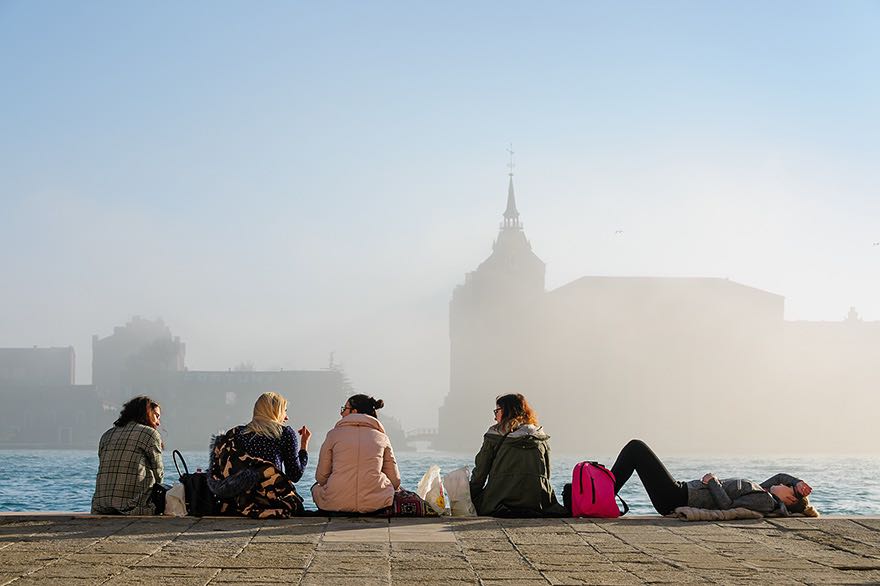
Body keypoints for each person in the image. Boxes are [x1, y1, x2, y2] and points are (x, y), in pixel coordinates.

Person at [610, 439, 818, 516]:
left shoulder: (764, 501)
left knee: (636, 448)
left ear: (789, 500)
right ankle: (598, 496)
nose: (781, 483)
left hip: (677, 497)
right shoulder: (763, 492)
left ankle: (603, 496)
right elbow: (779, 476)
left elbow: (727, 505)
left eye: (787, 488)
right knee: (635, 450)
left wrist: (713, 482)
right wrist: (796, 483)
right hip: (679, 492)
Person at [211, 392, 310, 518]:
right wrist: (304, 446)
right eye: (284, 411)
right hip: (271, 499)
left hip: (240, 500)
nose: (286, 418)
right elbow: (294, 475)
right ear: (276, 412)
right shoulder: (285, 434)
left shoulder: (237, 433)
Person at [469, 393, 567, 517]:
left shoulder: (494, 435)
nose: (495, 417)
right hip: (537, 500)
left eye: (496, 411)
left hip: (499, 501)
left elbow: (480, 472)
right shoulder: (540, 436)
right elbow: (547, 472)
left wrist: (470, 495)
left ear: (506, 411)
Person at [311, 394, 401, 513]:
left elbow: (321, 478)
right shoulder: (382, 438)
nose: (341, 413)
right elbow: (395, 481)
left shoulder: (333, 435)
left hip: (335, 502)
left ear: (354, 411)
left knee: (315, 487)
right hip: (375, 503)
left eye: (344, 409)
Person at [91, 395, 164, 515]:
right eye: (156, 416)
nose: (158, 422)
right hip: (132, 507)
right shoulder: (149, 434)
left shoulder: (107, 435)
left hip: (101, 506)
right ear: (147, 413)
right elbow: (159, 474)